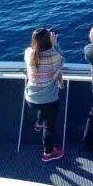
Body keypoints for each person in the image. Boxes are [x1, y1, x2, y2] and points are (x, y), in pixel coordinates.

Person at [24, 28, 65, 162]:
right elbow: (62, 60)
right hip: (48, 100)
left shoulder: (28, 53)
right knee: (50, 127)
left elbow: (36, 52)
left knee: (42, 107)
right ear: (48, 40)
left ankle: (38, 123)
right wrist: (55, 44)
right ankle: (48, 153)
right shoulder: (54, 56)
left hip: (31, 99)